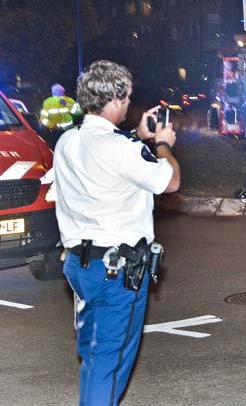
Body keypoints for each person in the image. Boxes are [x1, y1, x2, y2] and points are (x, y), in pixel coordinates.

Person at [53, 60, 181, 405]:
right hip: (118, 272)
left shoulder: (66, 142)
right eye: (126, 99)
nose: (128, 105)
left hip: (81, 267)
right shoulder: (121, 150)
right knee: (111, 361)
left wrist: (138, 135)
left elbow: (105, 152)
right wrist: (163, 144)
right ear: (114, 100)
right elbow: (169, 181)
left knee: (94, 356)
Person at [40, 83, 82, 147]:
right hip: (57, 132)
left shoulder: (69, 100)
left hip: (68, 130)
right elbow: (43, 119)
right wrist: (52, 125)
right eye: (59, 90)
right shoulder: (48, 102)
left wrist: (67, 105)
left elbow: (78, 112)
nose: (61, 92)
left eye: (61, 90)